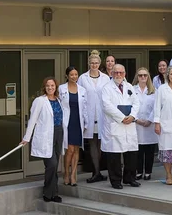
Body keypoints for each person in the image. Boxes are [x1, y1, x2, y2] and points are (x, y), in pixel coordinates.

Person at [21, 77, 67, 203]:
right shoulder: (39, 101)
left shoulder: (58, 100)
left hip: (58, 133)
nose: (50, 88)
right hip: (46, 135)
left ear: (56, 87)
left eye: (52, 85)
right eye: (48, 86)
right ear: (44, 87)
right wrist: (26, 138)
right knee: (51, 164)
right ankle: (48, 193)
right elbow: (33, 120)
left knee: (55, 165)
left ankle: (54, 193)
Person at [101, 64, 140, 189]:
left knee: (131, 153)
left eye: (121, 72)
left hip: (129, 124)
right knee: (115, 155)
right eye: (116, 72)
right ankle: (116, 180)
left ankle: (130, 178)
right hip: (116, 124)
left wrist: (133, 116)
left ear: (125, 74)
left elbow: (136, 103)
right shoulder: (107, 88)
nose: (118, 75)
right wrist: (122, 117)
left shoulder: (129, 87)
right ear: (112, 74)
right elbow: (107, 106)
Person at [78, 50, 110, 183]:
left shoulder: (106, 78)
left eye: (96, 63)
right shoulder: (82, 78)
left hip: (102, 115)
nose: (94, 65)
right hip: (89, 115)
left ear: (99, 64)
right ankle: (96, 172)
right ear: (89, 63)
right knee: (92, 143)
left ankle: (98, 171)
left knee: (101, 143)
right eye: (92, 63)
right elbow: (80, 97)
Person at [59, 67, 88, 186]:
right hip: (67, 121)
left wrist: (86, 123)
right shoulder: (61, 88)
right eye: (71, 74)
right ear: (67, 76)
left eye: (76, 74)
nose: (74, 77)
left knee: (76, 149)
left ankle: (73, 174)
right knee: (69, 149)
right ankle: (66, 173)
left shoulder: (82, 90)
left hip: (78, 121)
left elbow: (85, 108)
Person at [132, 67, 158, 181]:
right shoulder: (132, 90)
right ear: (137, 77)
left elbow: (156, 107)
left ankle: (148, 171)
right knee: (138, 150)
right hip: (137, 123)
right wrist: (136, 119)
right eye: (140, 75)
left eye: (145, 75)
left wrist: (150, 120)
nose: (143, 77)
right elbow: (130, 106)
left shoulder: (153, 90)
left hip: (149, 124)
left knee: (149, 150)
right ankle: (138, 171)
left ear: (148, 77)